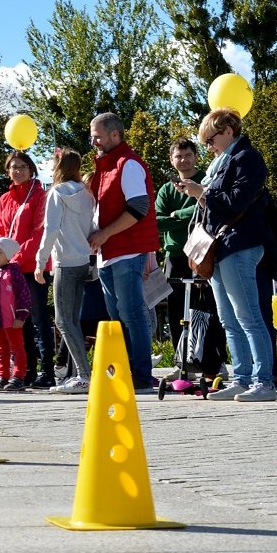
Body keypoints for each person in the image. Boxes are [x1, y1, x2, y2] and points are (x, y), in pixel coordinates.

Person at [179, 108, 277, 402]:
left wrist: (203, 194)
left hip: (240, 244)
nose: (208, 147)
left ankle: (264, 382)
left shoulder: (247, 158)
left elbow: (238, 201)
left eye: (210, 140)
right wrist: (200, 193)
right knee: (228, 320)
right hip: (221, 247)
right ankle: (241, 378)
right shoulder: (222, 163)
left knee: (249, 316)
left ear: (229, 131)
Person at [86, 113, 160, 391]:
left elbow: (139, 208)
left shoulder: (127, 164)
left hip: (128, 251)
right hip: (109, 252)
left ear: (115, 135)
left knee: (132, 313)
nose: (93, 141)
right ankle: (128, 369)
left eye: (97, 135)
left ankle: (141, 373)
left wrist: (104, 233)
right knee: (118, 314)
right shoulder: (106, 167)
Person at [35, 148, 95, 394]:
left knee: (62, 320)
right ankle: (82, 372)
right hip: (83, 260)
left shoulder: (57, 193)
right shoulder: (87, 194)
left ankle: (83, 374)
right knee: (72, 320)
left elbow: (50, 230)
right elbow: (92, 225)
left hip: (65, 262)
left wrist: (40, 263)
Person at [0, 150, 54, 388]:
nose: (17, 171)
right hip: (10, 268)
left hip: (32, 266)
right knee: (19, 321)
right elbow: (0, 231)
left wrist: (16, 258)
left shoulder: (40, 196)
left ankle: (47, 370)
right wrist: (1, 258)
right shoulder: (4, 199)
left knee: (38, 318)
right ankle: (26, 370)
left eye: (22, 167)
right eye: (13, 167)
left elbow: (39, 233)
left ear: (31, 169)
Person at [154, 137, 203, 346]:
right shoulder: (166, 189)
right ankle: (179, 358)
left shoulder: (205, 180)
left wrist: (177, 214)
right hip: (174, 254)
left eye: (188, 155)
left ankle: (210, 360)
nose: (184, 160)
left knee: (203, 306)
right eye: (179, 156)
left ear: (195, 156)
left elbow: (206, 208)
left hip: (203, 252)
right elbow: (156, 221)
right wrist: (187, 218)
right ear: (171, 160)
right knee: (175, 309)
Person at [0, 237, 33, 390]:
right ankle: (3, 376)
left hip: (12, 320)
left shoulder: (14, 273)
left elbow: (24, 295)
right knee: (1, 350)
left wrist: (21, 315)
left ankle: (18, 376)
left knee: (17, 348)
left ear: (8, 255)